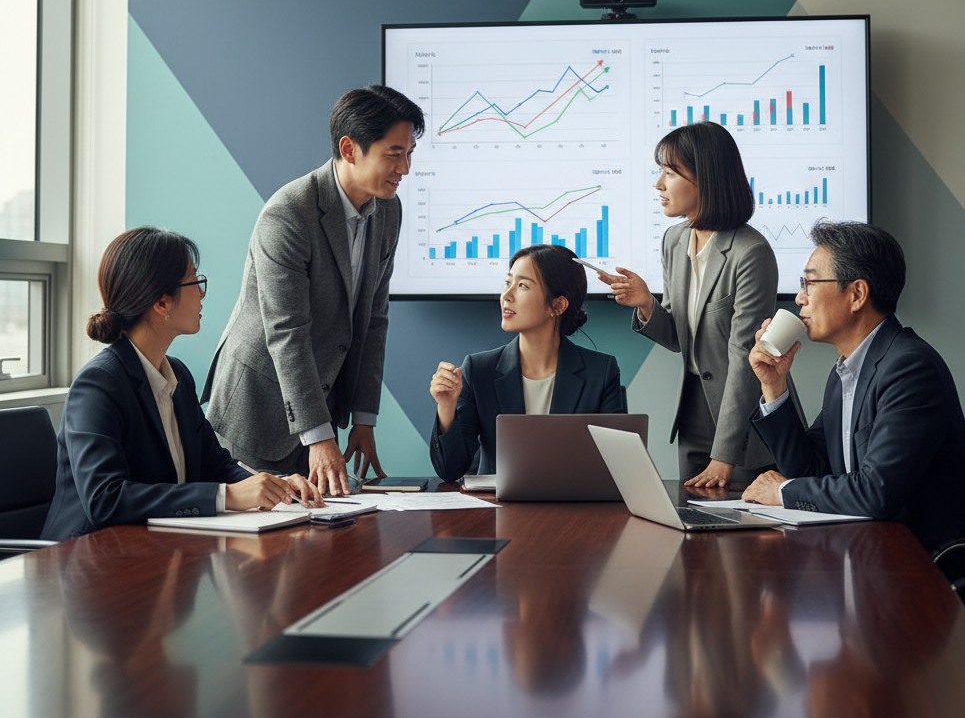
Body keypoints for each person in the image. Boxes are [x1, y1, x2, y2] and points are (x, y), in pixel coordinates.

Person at [202, 85, 424, 495]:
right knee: (257, 547)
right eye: (394, 153)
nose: (405, 169)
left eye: (410, 153)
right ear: (350, 148)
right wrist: (319, 436)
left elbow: (374, 319)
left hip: (316, 402)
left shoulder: (388, 210)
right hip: (259, 405)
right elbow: (288, 333)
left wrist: (363, 418)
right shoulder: (288, 214)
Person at [41, 228, 321, 541]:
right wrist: (226, 497)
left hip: (155, 552)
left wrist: (275, 486)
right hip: (88, 563)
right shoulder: (98, 384)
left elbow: (216, 466)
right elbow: (105, 499)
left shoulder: (178, 375)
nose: (201, 293)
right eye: (194, 281)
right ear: (162, 303)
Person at [742, 219, 965, 552]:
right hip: (871, 556)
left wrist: (783, 492)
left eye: (810, 284)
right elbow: (811, 469)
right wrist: (774, 386)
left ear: (857, 294)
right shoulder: (845, 372)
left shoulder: (909, 368)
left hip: (930, 574)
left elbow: (876, 493)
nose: (800, 298)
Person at [599, 121, 784, 488]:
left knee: (743, 537)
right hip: (693, 411)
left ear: (706, 179)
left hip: (744, 417)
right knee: (695, 529)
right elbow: (682, 339)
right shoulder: (673, 240)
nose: (659, 185)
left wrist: (724, 454)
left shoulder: (751, 253)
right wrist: (647, 305)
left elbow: (746, 357)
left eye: (670, 173)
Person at [429, 244, 625, 483]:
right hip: (499, 512)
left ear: (557, 305)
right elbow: (450, 470)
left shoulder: (601, 372)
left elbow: (617, 467)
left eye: (522, 285)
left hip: (573, 511)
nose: (507, 295)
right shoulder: (479, 370)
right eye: (507, 283)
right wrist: (446, 408)